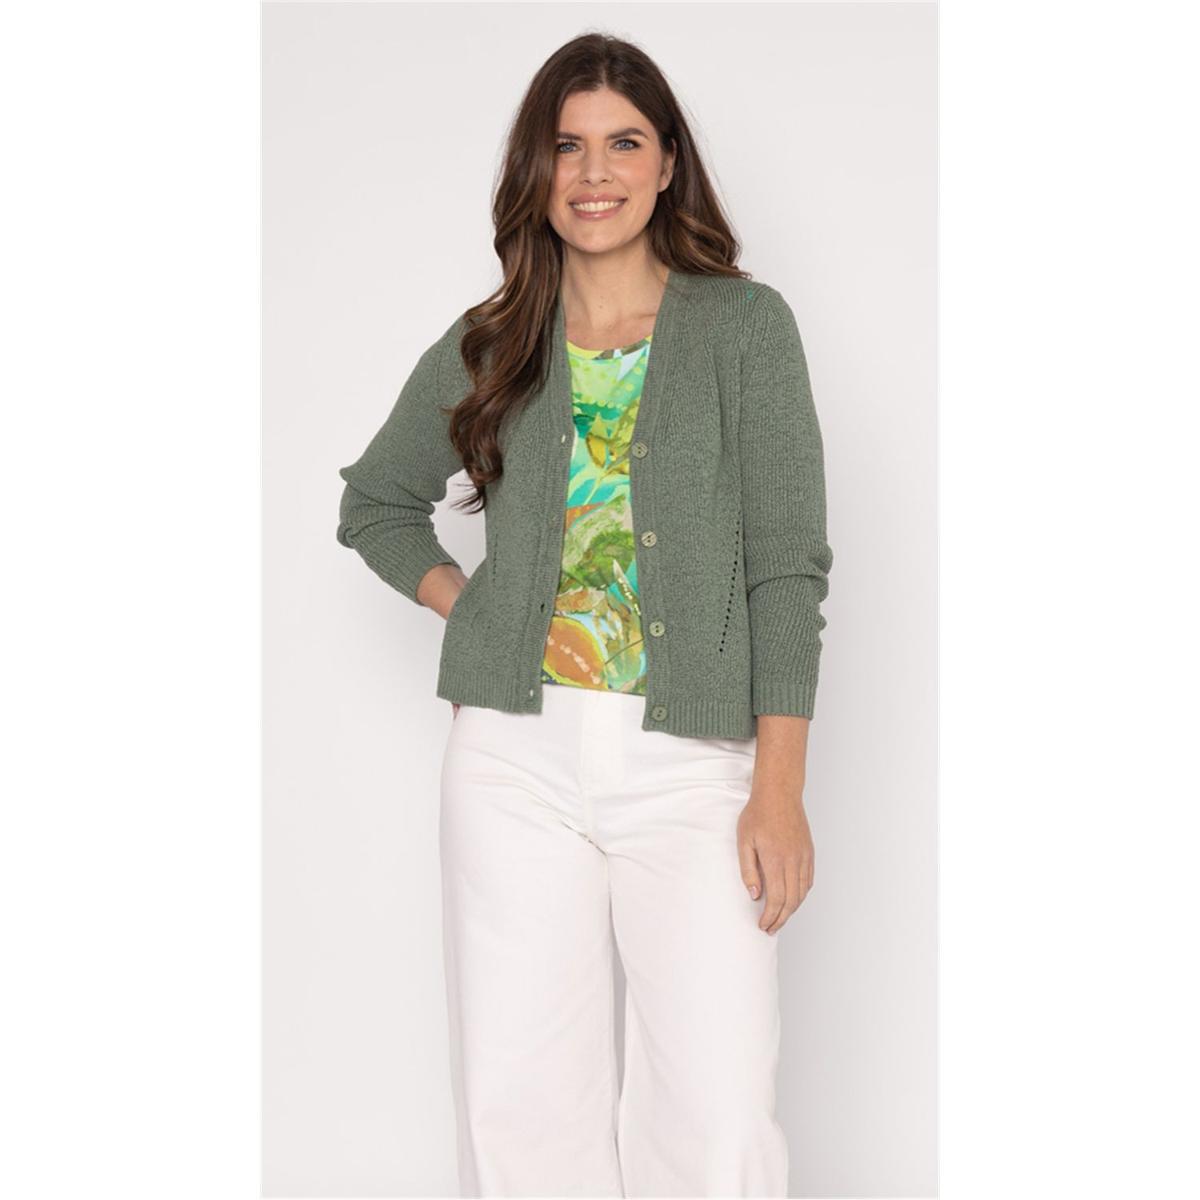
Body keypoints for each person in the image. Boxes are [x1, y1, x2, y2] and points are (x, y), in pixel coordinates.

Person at [335, 32, 834, 1199]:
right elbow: (375, 504)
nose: (594, 172)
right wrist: (479, 608)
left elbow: (786, 570)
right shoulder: (496, 336)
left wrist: (778, 787)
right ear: (537, 168)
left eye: (624, 143)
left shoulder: (744, 328)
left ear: (667, 166)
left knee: (717, 1115)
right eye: (567, 146)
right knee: (522, 1107)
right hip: (514, 764)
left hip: (693, 765)